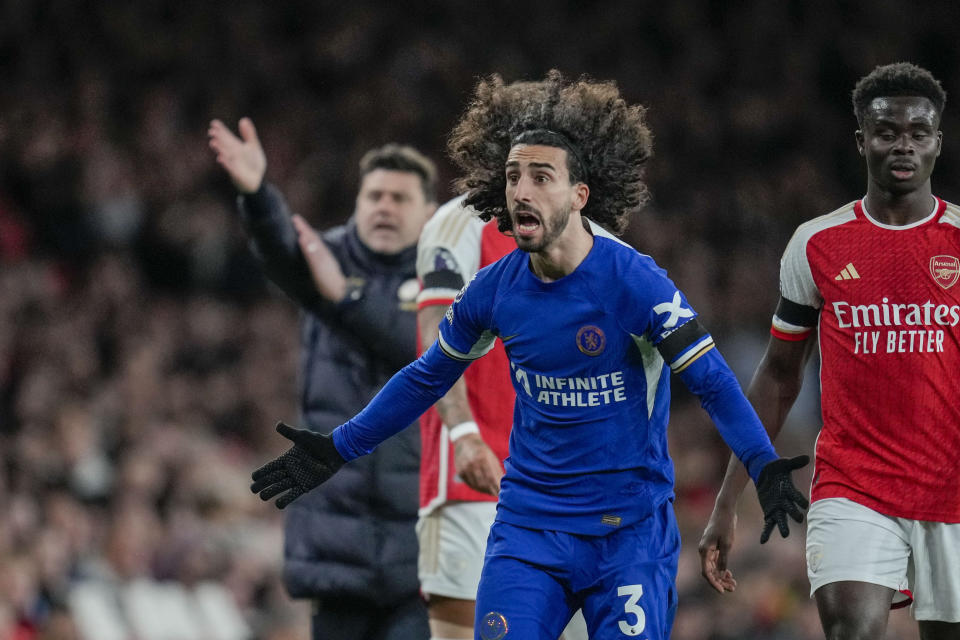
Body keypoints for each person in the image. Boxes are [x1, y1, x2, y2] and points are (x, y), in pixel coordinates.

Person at [250, 71, 809, 640]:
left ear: (578, 195)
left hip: (629, 536)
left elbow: (713, 382)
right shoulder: (493, 290)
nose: (521, 191)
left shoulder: (636, 283)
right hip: (528, 532)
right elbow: (426, 378)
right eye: (514, 176)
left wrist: (763, 465)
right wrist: (340, 446)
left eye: (541, 177)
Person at [697, 62, 960, 639]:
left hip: (951, 486)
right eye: (888, 131)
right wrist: (728, 500)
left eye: (919, 133)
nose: (903, 145)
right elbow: (778, 377)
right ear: (863, 140)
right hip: (854, 485)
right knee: (851, 631)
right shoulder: (816, 244)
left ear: (938, 142)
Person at [208, 117, 437, 640]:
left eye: (399, 198)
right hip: (336, 535)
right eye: (373, 195)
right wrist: (257, 194)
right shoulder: (324, 256)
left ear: (429, 213)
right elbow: (281, 254)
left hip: (420, 541)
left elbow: (425, 353)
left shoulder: (446, 279)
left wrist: (347, 299)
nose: (383, 206)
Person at [414, 194, 590, 640]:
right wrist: (465, 433)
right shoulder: (459, 223)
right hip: (471, 484)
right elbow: (435, 333)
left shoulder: (584, 233)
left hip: (559, 492)